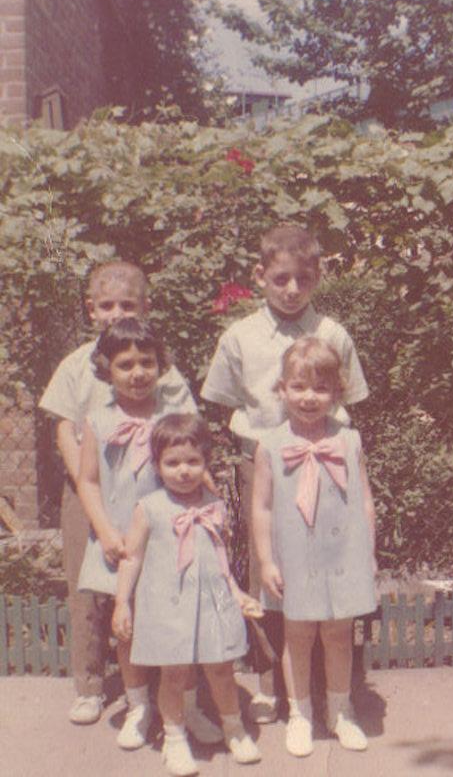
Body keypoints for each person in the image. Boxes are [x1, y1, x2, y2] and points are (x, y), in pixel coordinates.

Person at [200, 223, 369, 724]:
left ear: (318, 277)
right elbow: (224, 404)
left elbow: (352, 401)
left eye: (303, 278)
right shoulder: (240, 336)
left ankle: (333, 690)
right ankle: (276, 685)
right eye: (281, 279)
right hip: (267, 463)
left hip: (328, 459)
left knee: (330, 567)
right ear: (260, 276)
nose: (292, 290)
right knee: (271, 574)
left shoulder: (333, 334)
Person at [39, 261, 214, 739]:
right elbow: (64, 428)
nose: (117, 314)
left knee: (165, 589)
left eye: (128, 305)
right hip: (92, 490)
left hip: (156, 493)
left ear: (146, 307)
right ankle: (91, 685)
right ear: (91, 308)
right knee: (90, 591)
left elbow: (186, 428)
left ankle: (172, 691)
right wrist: (89, 491)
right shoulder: (78, 364)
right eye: (107, 305)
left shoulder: (162, 367)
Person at [75, 317, 216, 752]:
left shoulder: (173, 420)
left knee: (181, 625)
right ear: (106, 368)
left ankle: (187, 705)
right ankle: (139, 706)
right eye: (125, 364)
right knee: (129, 630)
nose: (137, 373)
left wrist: (212, 517)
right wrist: (104, 531)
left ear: (161, 365)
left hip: (171, 543)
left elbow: (199, 474)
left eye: (147, 362)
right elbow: (88, 481)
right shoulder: (98, 421)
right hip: (120, 542)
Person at [113, 414, 262, 774]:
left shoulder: (214, 504)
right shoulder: (149, 508)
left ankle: (234, 727)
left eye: (193, 462)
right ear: (158, 464)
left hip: (212, 603)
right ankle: (175, 738)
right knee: (174, 674)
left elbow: (221, 558)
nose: (183, 470)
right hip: (168, 605)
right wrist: (122, 603)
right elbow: (131, 557)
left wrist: (237, 592)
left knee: (222, 670)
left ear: (206, 462)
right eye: (173, 462)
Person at [251, 336, 377, 757]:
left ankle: (340, 711)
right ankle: (300, 713)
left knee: (340, 635)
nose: (309, 397)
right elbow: (263, 508)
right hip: (296, 556)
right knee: (298, 635)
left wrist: (369, 553)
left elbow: (364, 500)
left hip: (342, 554)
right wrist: (266, 560)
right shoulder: (269, 444)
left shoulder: (350, 440)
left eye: (321, 388)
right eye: (299, 387)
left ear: (337, 393)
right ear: (282, 389)